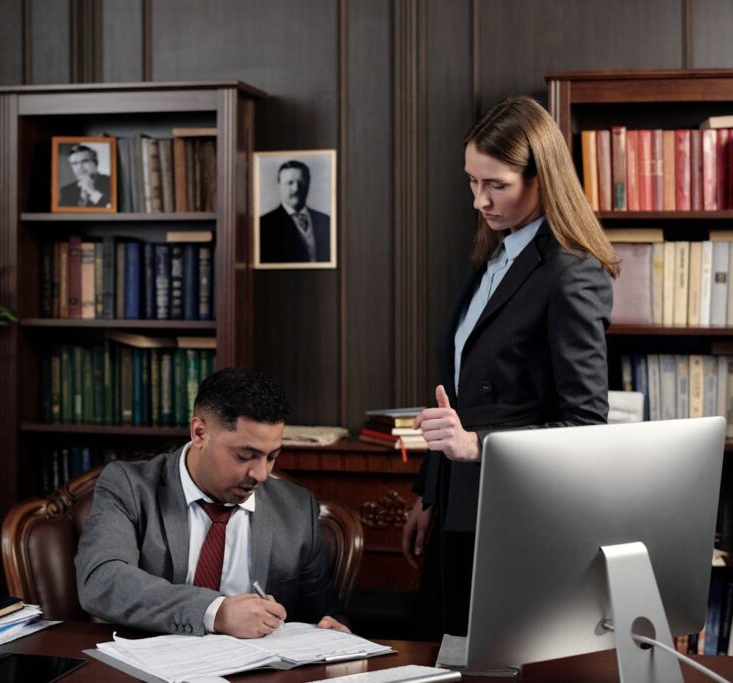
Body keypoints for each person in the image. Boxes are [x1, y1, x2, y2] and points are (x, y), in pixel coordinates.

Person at [401, 95, 619, 637]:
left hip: (516, 518)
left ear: (541, 178)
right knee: (442, 658)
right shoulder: (494, 255)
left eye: (495, 185)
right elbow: (460, 398)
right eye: (472, 182)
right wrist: (432, 492)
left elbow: (586, 425)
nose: (479, 200)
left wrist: (477, 445)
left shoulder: (571, 272)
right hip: (458, 502)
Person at [76, 367, 348, 638]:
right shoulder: (129, 487)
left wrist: (333, 631)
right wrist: (216, 612)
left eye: (272, 456)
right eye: (245, 455)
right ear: (199, 433)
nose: (261, 474)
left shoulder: (296, 508)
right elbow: (103, 581)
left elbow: (324, 615)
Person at [259, 160, 331, 263]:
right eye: (290, 183)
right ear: (279, 186)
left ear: (308, 184)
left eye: (301, 182)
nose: (296, 188)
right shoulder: (264, 225)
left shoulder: (326, 221)